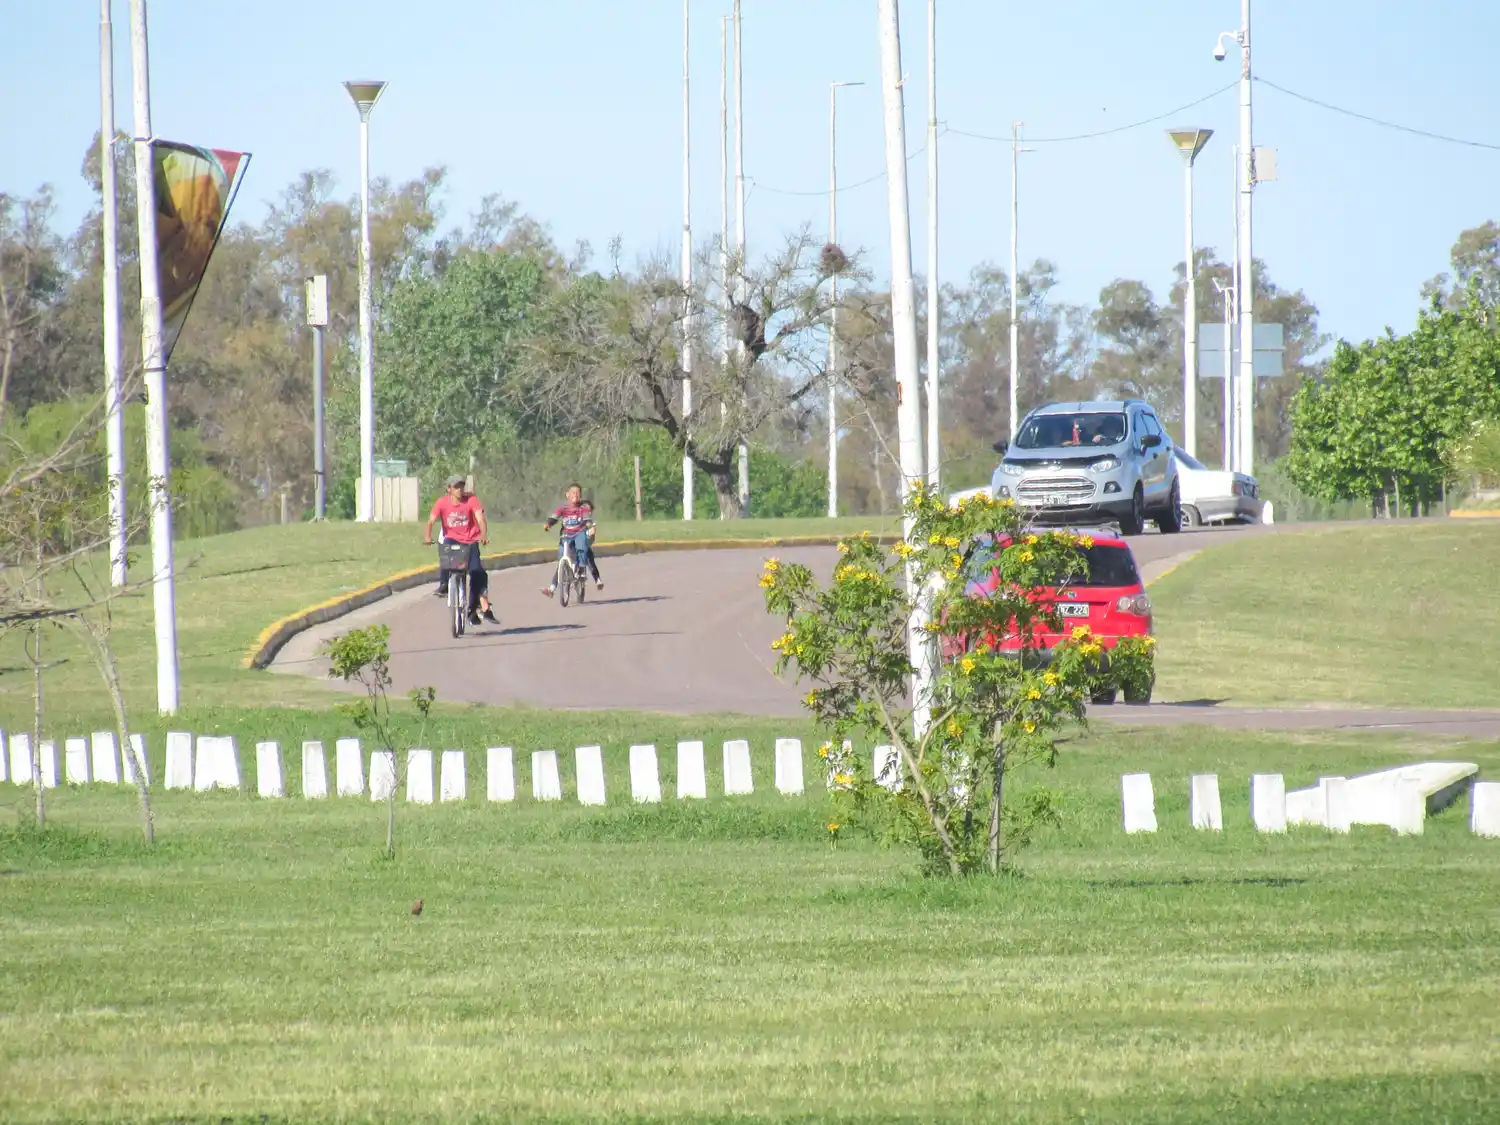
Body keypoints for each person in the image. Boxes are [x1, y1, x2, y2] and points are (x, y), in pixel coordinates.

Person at [424, 475, 497, 625]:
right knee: (447, 558)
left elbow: (480, 518)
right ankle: (444, 585)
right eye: (456, 487)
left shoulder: (471, 500)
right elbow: (431, 520)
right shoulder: (442, 503)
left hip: (470, 541)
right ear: (449, 489)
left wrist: (483, 535)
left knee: (476, 572)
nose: (460, 490)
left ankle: (472, 609)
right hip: (451, 538)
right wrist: (427, 536)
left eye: (462, 486)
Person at [541, 483, 602, 596]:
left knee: (583, 548)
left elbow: (587, 520)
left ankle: (583, 571)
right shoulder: (562, 508)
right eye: (573, 492)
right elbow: (554, 517)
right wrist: (548, 524)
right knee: (561, 560)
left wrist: (591, 526)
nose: (575, 495)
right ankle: (552, 589)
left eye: (578, 493)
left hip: (578, 534)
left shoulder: (582, 509)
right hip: (566, 536)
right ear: (567, 495)